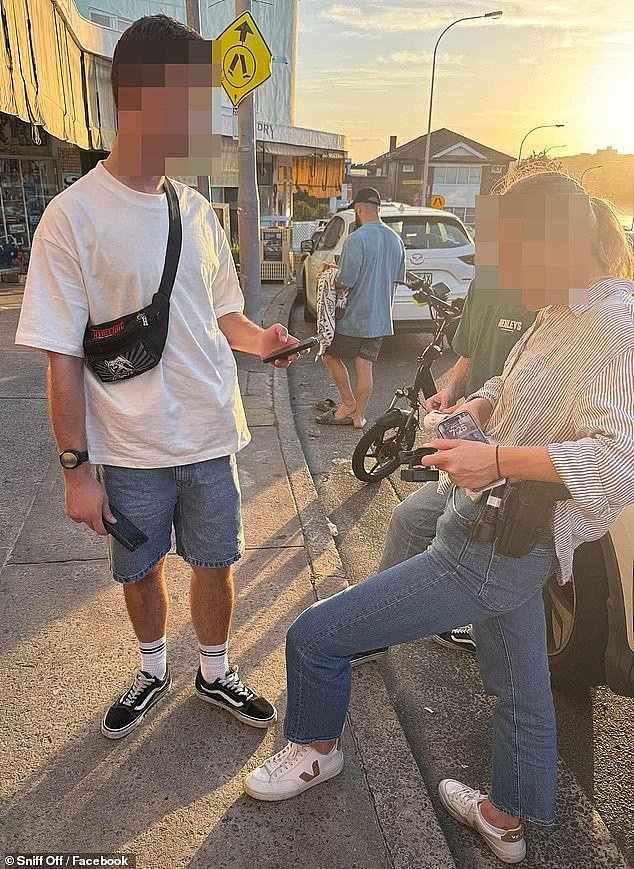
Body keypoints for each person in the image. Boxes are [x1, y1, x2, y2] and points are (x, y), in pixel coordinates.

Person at [243, 171, 634, 865]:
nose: (506, 272)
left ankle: (315, 750)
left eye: (515, 252)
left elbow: (618, 462)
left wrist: (501, 460)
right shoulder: (559, 310)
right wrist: (476, 408)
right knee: (521, 690)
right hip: (505, 536)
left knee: (314, 635)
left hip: (492, 546)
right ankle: (505, 822)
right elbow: (510, 382)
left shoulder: (612, 323)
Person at [15, 15, 299, 740]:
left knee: (215, 561)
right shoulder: (69, 218)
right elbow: (62, 358)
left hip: (210, 438)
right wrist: (76, 472)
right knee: (139, 572)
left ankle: (213, 669)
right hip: (131, 449)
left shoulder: (198, 211)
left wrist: (259, 339)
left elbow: (225, 314)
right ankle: (151, 668)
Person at [353, 279, 536, 662]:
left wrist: (498, 459)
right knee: (413, 520)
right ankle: (379, 627)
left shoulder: (547, 292)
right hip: (471, 437)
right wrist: (453, 390)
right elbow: (470, 353)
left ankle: (387, 625)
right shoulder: (487, 275)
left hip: (507, 456)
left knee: (476, 556)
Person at [315, 187, 405, 429]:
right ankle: (359, 417)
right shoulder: (396, 240)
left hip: (354, 317)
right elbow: (396, 280)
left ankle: (347, 403)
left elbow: (346, 281)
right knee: (365, 366)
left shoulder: (356, 239)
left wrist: (330, 273)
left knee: (329, 354)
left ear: (358, 209)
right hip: (380, 319)